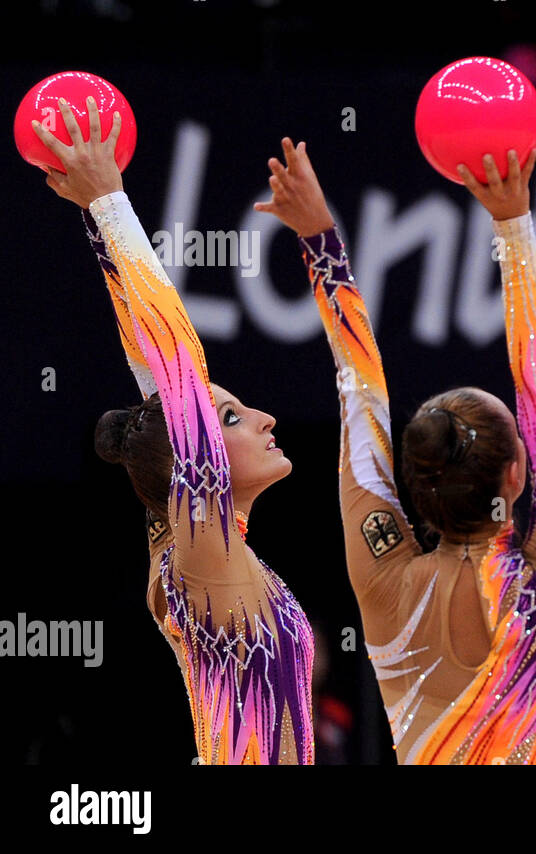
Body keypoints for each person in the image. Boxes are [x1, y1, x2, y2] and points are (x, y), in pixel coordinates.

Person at [254, 138, 536, 764]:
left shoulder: (387, 582)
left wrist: (319, 237)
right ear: (518, 475)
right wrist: (513, 224)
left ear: (412, 485)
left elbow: (359, 400)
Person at [34, 99, 314, 764]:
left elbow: (160, 373)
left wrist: (101, 224)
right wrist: (108, 202)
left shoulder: (204, 550)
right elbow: (178, 370)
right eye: (232, 417)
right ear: (195, 462)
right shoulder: (198, 557)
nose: (265, 417)